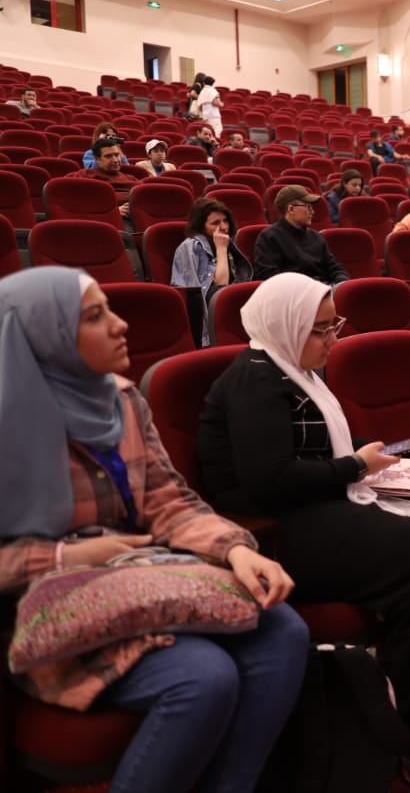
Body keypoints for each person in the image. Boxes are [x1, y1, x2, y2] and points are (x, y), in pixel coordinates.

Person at [198, 273, 410, 792]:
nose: (332, 339)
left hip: (324, 499)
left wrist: (406, 455)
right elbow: (272, 482)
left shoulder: (296, 370)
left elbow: (337, 440)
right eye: (321, 329)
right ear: (287, 326)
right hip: (282, 527)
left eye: (333, 325)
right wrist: (358, 467)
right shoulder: (255, 381)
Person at [0, 267, 308, 793]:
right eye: (94, 316)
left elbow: (169, 502)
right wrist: (68, 559)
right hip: (43, 613)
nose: (120, 325)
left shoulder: (120, 398)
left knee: (283, 630)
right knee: (203, 677)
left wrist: (234, 550)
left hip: (134, 581)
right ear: (44, 337)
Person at [171, 198, 253, 345]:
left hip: (229, 307)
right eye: (215, 223)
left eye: (225, 221)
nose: (224, 227)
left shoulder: (228, 244)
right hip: (208, 312)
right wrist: (221, 249)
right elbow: (219, 287)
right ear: (201, 226)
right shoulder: (191, 247)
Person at [253, 185, 350, 285]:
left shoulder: (316, 237)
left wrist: (341, 280)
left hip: (322, 289)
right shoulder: (269, 237)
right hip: (292, 291)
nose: (312, 212)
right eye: (308, 206)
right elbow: (269, 276)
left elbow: (334, 268)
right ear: (291, 209)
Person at [79, 137, 138, 221]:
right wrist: (112, 212)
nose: (115, 160)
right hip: (108, 220)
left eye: (117, 155)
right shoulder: (85, 176)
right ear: (97, 159)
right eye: (108, 156)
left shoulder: (131, 179)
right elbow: (82, 202)